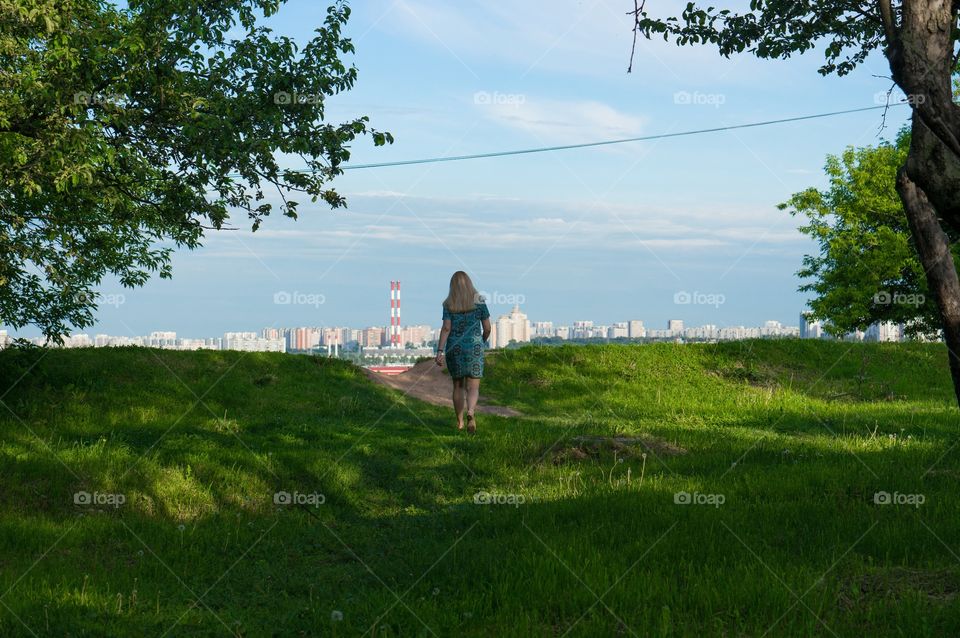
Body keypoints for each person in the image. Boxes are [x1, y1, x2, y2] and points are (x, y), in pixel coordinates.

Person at [435, 271, 491, 433]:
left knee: (458, 386)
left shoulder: (448, 303)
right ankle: (471, 412)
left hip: (455, 348)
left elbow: (446, 328)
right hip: (475, 348)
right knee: (473, 387)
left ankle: (459, 423)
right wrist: (481, 341)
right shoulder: (479, 300)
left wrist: (440, 350)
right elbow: (487, 327)